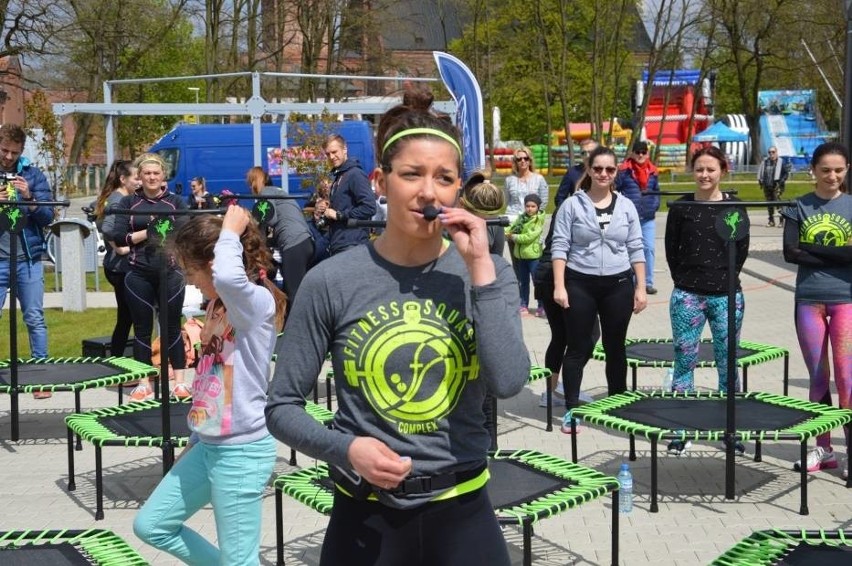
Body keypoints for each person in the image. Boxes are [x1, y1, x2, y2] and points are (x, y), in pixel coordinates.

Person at [265, 88, 530, 566]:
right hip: (365, 518)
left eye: (444, 178)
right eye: (411, 174)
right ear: (381, 182)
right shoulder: (331, 280)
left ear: (457, 191)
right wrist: (345, 448)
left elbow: (509, 382)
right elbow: (282, 406)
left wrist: (482, 270)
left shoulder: (487, 272)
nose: (428, 191)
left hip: (464, 512)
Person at [134, 205, 287, 565]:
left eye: (191, 270)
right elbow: (211, 379)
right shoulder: (218, 305)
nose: (189, 280)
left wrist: (231, 231)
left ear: (213, 263)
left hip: (242, 452)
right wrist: (196, 438)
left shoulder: (254, 301)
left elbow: (232, 279)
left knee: (239, 560)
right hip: (208, 444)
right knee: (152, 525)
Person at [551, 146, 646, 433]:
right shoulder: (572, 205)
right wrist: (559, 286)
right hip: (579, 283)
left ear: (616, 172)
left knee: (616, 346)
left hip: (618, 284)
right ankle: (571, 409)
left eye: (610, 169)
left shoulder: (626, 205)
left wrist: (640, 287)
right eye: (598, 168)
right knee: (578, 346)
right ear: (589, 170)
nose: (604, 174)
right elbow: (560, 246)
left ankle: (617, 405)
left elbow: (636, 247)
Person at [665, 146, 749, 455]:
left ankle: (730, 430)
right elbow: (671, 250)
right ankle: (680, 430)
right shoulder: (682, 207)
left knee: (728, 363)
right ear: (692, 170)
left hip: (726, 296)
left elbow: (740, 249)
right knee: (684, 361)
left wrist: (724, 280)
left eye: (710, 169)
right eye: (699, 169)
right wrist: (685, 281)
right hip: (688, 295)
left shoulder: (734, 207)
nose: (704, 175)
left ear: (722, 171)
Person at [781, 141, 851, 480]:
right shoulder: (799, 206)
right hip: (808, 300)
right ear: (814, 171)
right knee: (818, 377)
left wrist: (813, 247)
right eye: (825, 170)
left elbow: (805, 249)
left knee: (847, 379)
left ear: (846, 170)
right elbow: (790, 252)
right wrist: (840, 253)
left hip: (845, 301)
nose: (832, 176)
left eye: (838, 170)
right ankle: (823, 449)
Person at [107, 153, 190, 402]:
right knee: (142, 329)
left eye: (156, 173)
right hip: (138, 273)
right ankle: (144, 383)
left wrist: (163, 230)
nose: (152, 177)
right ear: (139, 177)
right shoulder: (128, 203)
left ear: (163, 175)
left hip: (170, 273)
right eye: (147, 174)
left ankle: (180, 383)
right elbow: (119, 236)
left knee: (172, 327)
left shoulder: (176, 202)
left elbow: (185, 231)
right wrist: (146, 232)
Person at [0, 124, 54, 399]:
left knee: (34, 317)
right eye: (4, 150)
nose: (8, 156)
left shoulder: (33, 175)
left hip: (27, 258)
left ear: (22, 152)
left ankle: (40, 376)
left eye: (14, 152)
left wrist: (29, 197)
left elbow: (48, 217)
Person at [246, 166, 313, 305]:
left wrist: (256, 221)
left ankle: (296, 325)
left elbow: (271, 218)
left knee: (292, 291)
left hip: (293, 243)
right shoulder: (278, 191)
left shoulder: (266, 193)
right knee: (299, 288)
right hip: (306, 241)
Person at [95, 160, 137, 358]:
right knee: (129, 317)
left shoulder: (124, 197)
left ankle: (118, 359)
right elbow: (106, 226)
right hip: (119, 268)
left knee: (127, 317)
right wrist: (119, 248)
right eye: (136, 178)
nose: (140, 182)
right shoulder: (118, 199)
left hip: (122, 267)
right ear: (123, 179)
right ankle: (119, 360)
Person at [615, 140, 661, 294]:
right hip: (629, 218)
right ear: (632, 153)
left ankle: (647, 282)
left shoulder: (653, 171)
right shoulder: (624, 171)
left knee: (648, 248)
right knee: (630, 250)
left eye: (643, 152)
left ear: (647, 154)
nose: (641, 155)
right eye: (638, 152)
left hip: (648, 217)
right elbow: (616, 190)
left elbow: (656, 191)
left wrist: (654, 205)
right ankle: (632, 281)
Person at [319, 133, 376, 255]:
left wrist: (339, 215)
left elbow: (369, 208)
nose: (332, 157)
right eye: (328, 154)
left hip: (352, 244)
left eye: (334, 152)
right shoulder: (340, 176)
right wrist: (327, 211)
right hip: (339, 242)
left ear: (345, 149)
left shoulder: (355, 174)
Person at [506, 193, 545, 316]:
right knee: (523, 282)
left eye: (533, 206)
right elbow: (511, 227)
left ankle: (541, 305)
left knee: (536, 282)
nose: (529, 209)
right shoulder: (521, 218)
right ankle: (523, 304)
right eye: (527, 206)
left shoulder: (538, 220)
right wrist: (507, 232)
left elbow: (529, 237)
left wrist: (514, 237)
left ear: (538, 207)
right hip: (521, 256)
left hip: (534, 257)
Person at [459, 170, 506, 256]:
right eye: (478, 217)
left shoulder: (495, 223)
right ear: (462, 204)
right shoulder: (449, 229)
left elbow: (498, 259)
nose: (486, 222)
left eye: (491, 216)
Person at [504, 146, 549, 222]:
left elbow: (543, 201)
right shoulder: (509, 180)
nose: (523, 161)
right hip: (512, 217)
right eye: (519, 159)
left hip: (532, 218)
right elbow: (506, 200)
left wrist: (535, 215)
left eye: (526, 158)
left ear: (530, 161)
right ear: (515, 162)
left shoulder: (539, 179)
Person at [555, 138, 598, 208]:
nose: (587, 156)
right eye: (583, 153)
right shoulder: (572, 172)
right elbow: (560, 197)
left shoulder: (606, 172)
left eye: (591, 152)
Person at [757, 146, 789, 227]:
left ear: (776, 152)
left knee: (778, 203)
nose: (771, 154)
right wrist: (761, 181)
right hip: (767, 186)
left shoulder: (781, 162)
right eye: (770, 152)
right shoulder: (765, 161)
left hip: (777, 186)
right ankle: (771, 221)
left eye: (773, 152)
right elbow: (761, 172)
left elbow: (786, 173)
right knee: (769, 204)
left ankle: (781, 221)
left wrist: (781, 181)